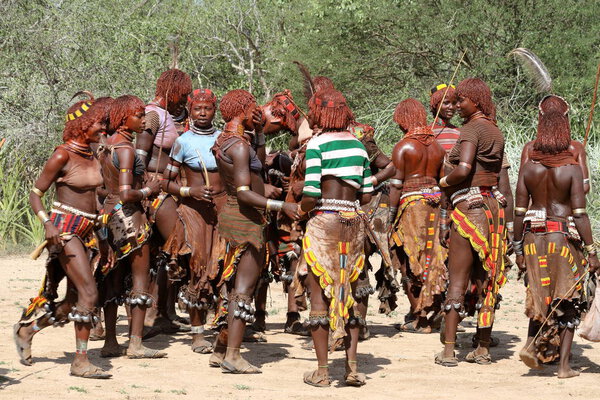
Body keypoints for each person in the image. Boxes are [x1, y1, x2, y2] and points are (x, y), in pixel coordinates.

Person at [14, 93, 111, 378]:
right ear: (82, 125)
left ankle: (27, 330)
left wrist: (104, 223)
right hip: (65, 231)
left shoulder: (94, 154)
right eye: (97, 125)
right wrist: (47, 223)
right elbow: (35, 194)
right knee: (89, 293)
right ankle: (81, 361)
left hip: (88, 233)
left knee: (72, 303)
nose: (102, 130)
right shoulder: (62, 155)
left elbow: (97, 194)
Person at [210, 89, 299, 373]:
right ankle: (233, 356)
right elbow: (245, 192)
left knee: (234, 285)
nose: (258, 113)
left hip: (237, 217)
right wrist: (279, 205)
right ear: (244, 110)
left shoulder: (227, 139)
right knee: (244, 290)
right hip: (245, 219)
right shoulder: (238, 146)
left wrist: (259, 133)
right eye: (254, 110)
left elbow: (257, 165)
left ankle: (221, 349)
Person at [514, 94, 599, 378]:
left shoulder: (528, 167)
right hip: (562, 237)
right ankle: (563, 367)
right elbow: (580, 214)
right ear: (565, 128)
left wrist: (515, 248)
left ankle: (532, 347)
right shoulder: (572, 168)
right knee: (567, 299)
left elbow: (518, 212)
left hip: (532, 237)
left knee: (538, 292)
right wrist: (591, 249)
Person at [299, 88, 373, 387]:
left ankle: (321, 370)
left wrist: (300, 210)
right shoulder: (359, 146)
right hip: (353, 222)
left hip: (323, 222)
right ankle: (352, 368)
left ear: (321, 113)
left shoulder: (316, 145)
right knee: (350, 292)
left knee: (319, 295)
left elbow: (310, 193)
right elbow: (366, 195)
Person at [436, 78, 508, 366]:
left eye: (461, 100)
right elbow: (497, 174)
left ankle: (449, 350)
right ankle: (482, 348)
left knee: (458, 280)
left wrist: (442, 181)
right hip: (493, 208)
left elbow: (464, 168)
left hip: (468, 207)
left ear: (476, 101)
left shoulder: (472, 129)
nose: (457, 105)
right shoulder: (495, 131)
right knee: (486, 278)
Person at [97, 95, 165, 359]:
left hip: (107, 216)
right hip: (128, 218)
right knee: (139, 278)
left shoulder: (105, 146)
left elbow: (104, 187)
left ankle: (111, 342)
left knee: (112, 279)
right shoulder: (125, 150)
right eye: (138, 115)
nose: (144, 120)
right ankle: (135, 343)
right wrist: (150, 188)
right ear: (124, 118)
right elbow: (126, 194)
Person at [162, 88, 224, 353]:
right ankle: (197, 334)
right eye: (197, 109)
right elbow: (166, 181)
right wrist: (191, 191)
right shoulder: (182, 142)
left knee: (222, 268)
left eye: (207, 109)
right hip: (193, 210)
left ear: (214, 111)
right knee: (198, 268)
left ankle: (224, 328)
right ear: (190, 110)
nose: (202, 113)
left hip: (222, 210)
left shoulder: (225, 139)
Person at [136, 69, 192, 332]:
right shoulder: (153, 114)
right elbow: (139, 155)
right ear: (172, 92)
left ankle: (165, 313)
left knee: (167, 252)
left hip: (169, 185)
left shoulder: (168, 115)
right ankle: (153, 314)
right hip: (156, 189)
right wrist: (147, 183)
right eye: (182, 95)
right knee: (179, 244)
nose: (185, 100)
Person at [388, 98, 447, 333]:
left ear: (404, 120)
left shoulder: (404, 147)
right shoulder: (437, 147)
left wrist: (391, 216)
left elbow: (395, 185)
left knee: (410, 263)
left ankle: (420, 317)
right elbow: (443, 182)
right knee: (433, 259)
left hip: (411, 207)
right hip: (435, 203)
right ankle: (431, 310)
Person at [430, 84, 460, 153]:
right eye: (446, 103)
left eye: (454, 103)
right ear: (435, 104)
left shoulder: (459, 132)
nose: (451, 107)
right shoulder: (427, 132)